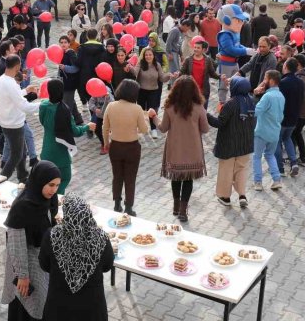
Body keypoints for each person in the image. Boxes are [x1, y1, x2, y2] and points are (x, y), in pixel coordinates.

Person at [39, 193, 113, 321]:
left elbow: (44, 265)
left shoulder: (52, 236)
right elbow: (107, 266)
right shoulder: (101, 237)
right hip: (92, 305)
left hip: (59, 302)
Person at [2, 161, 62, 321]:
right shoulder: (23, 205)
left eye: (57, 185)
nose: (54, 190)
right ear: (39, 182)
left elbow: (48, 221)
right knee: (28, 305)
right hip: (26, 263)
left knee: (38, 306)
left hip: (41, 260)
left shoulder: (46, 199)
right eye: (50, 185)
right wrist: (22, 276)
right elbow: (16, 244)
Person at [151, 76, 209, 222]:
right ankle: (183, 210)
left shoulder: (170, 107)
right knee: (188, 179)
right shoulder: (199, 107)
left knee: (176, 177)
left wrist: (154, 118)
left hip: (174, 148)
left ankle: (176, 207)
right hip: (193, 148)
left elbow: (163, 128)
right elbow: (206, 128)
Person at [102, 79, 151, 215]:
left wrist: (106, 143)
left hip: (115, 146)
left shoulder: (111, 106)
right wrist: (145, 118)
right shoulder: (137, 109)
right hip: (132, 148)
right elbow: (144, 130)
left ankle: (117, 203)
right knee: (130, 178)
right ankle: (129, 207)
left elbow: (105, 127)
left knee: (116, 176)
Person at [39, 79, 94, 194]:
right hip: (61, 155)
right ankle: (55, 199)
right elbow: (74, 131)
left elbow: (42, 121)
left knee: (47, 180)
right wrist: (87, 127)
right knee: (64, 179)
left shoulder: (43, 106)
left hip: (46, 151)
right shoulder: (65, 111)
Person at [207, 76, 254, 208]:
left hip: (229, 143)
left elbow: (219, 123)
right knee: (242, 169)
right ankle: (242, 195)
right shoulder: (251, 102)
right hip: (246, 144)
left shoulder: (231, 103)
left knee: (226, 170)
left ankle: (225, 197)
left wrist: (206, 115)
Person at [0, 54, 40, 182]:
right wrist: (42, 105)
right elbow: (23, 105)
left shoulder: (2, 80)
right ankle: (1, 179)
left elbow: (13, 97)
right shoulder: (11, 84)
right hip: (13, 123)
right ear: (17, 66)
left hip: (6, 121)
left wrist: (26, 90)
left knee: (22, 150)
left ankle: (23, 176)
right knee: (17, 154)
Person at [252, 70, 285, 191]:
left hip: (262, 132)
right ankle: (276, 180)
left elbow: (255, 111)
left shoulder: (267, 96)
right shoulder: (281, 96)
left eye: (265, 79)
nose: (263, 82)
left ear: (271, 81)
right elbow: (281, 116)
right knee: (270, 155)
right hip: (275, 132)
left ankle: (258, 182)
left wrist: (255, 94)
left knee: (256, 156)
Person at [217, 4, 257, 102]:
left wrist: (247, 49)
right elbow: (230, 49)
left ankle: (233, 100)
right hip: (226, 63)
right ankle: (221, 102)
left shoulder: (235, 33)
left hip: (234, 62)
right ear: (226, 20)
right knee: (224, 84)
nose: (241, 23)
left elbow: (238, 45)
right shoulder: (225, 35)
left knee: (235, 81)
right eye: (238, 20)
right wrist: (245, 51)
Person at [134, 46, 172, 138]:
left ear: (153, 56)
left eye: (150, 55)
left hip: (153, 91)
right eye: (146, 55)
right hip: (141, 90)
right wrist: (131, 68)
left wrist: (169, 76)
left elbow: (162, 78)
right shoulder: (140, 63)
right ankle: (140, 127)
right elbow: (134, 73)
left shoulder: (157, 65)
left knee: (152, 110)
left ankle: (153, 128)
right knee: (141, 110)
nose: (148, 56)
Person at [276, 58, 304, 177]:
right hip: (294, 117)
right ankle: (293, 163)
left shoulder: (283, 82)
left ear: (286, 67)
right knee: (287, 139)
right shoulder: (300, 82)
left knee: (277, 141)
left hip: (282, 117)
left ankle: (280, 168)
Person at [181, 40, 220, 109]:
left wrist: (220, 77)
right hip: (190, 91)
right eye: (195, 47)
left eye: (198, 48)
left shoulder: (208, 60)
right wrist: (177, 74)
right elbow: (182, 72)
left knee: (203, 112)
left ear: (203, 50)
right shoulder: (188, 60)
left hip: (203, 91)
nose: (195, 49)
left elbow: (212, 73)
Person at [76, 29, 105, 105]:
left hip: (85, 75)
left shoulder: (82, 47)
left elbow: (78, 62)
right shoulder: (102, 48)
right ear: (96, 36)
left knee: (87, 94)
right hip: (98, 75)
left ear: (87, 36)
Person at [88, 81, 114, 154]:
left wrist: (108, 97)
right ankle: (104, 144)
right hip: (99, 115)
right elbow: (90, 103)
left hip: (109, 115)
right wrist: (95, 108)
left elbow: (113, 103)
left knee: (110, 130)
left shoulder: (108, 93)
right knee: (96, 129)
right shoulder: (96, 93)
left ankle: (111, 143)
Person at [165, 19, 191, 88]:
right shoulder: (175, 30)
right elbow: (168, 42)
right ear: (185, 26)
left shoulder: (182, 33)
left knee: (175, 69)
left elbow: (179, 44)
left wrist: (181, 54)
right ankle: (174, 86)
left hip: (176, 53)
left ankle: (170, 84)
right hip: (172, 52)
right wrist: (169, 53)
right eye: (188, 28)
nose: (188, 30)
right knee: (175, 70)